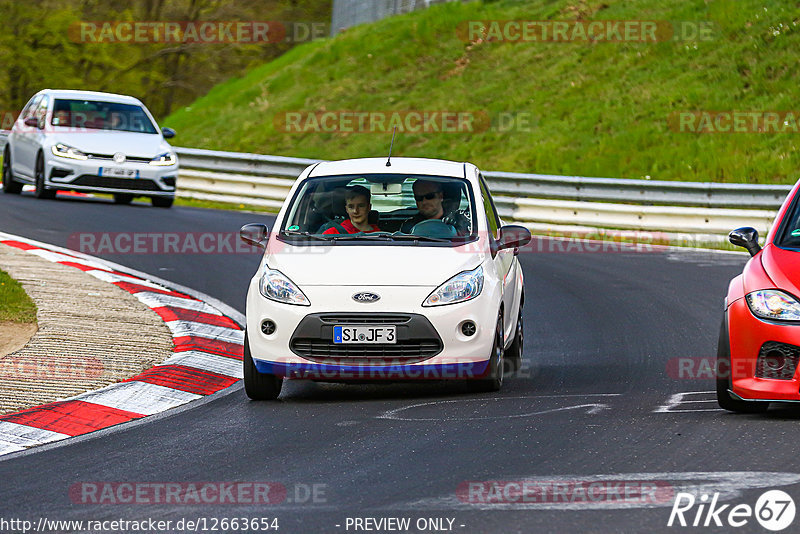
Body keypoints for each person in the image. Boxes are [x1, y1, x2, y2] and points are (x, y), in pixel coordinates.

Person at [400, 179, 470, 235]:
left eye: (429, 196)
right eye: (419, 198)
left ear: (441, 196)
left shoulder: (459, 222)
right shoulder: (408, 226)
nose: (424, 202)